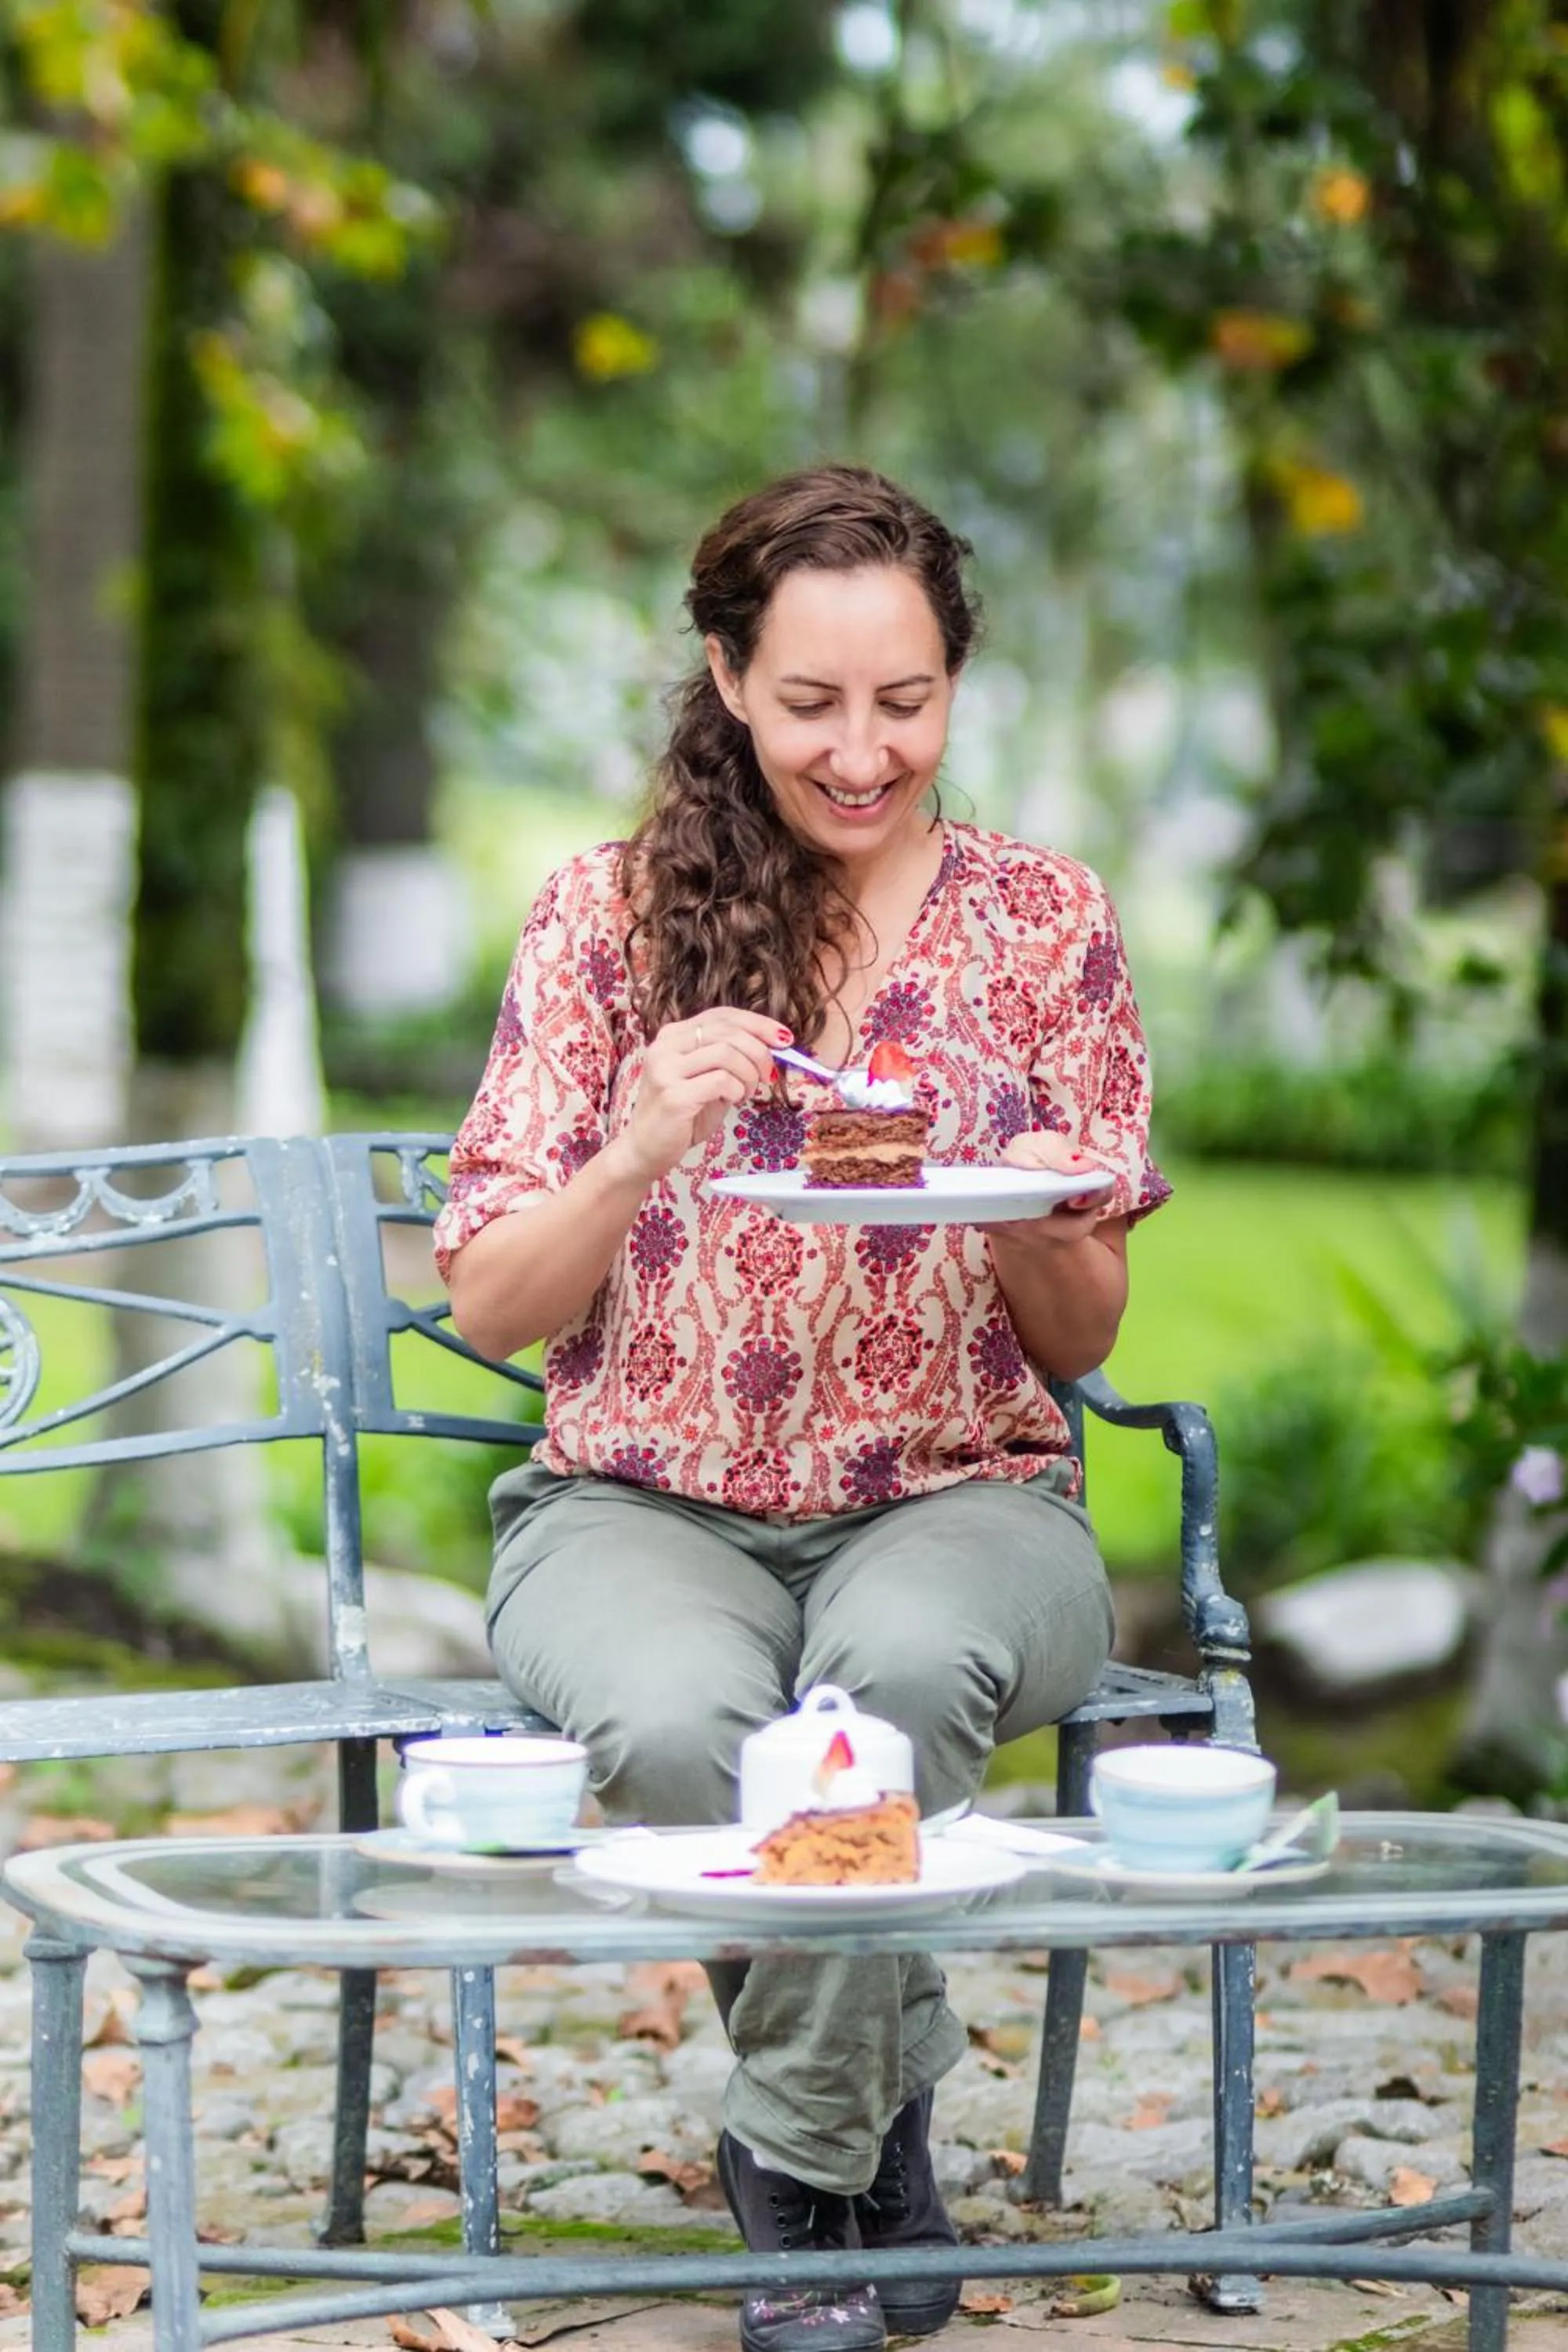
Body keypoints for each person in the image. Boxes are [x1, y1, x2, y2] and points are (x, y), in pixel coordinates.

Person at [434, 463, 1170, 2352]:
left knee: (898, 1688)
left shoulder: (1044, 925)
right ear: (728, 676)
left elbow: (1080, 1346)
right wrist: (634, 1145)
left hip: (965, 1498)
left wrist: (1014, 1199)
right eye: (813, 703)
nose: (863, 754)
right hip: (637, 1507)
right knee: (689, 1723)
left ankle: (791, 2171)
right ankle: (870, 2123)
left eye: (905, 702)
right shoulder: (606, 919)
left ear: (953, 683)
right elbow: (495, 1304)